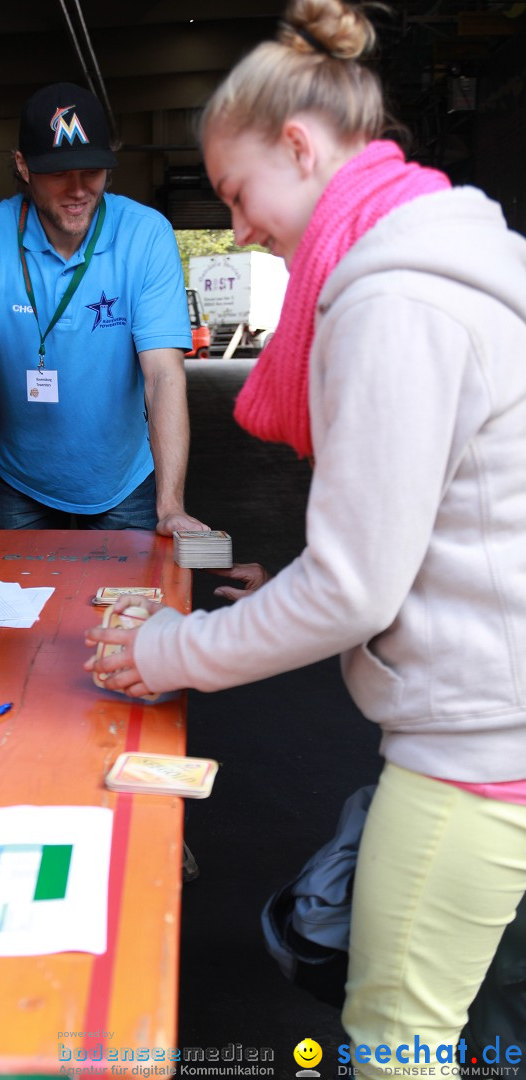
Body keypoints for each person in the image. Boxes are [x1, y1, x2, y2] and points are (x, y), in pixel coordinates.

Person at [85, 1, 526, 1073]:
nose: (235, 228)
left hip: (474, 748)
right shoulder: (449, 256)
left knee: (396, 1043)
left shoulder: (393, 300)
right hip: (498, 713)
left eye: (237, 194)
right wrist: (293, 579)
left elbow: (357, 590)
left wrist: (162, 653)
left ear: (299, 145)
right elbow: (444, 518)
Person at [0, 82, 207, 551]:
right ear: (23, 167)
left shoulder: (147, 235)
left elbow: (163, 377)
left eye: (92, 171)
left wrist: (170, 505)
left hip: (121, 478)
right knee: (29, 617)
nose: (77, 190)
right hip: (19, 477)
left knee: (121, 619)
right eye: (57, 173)